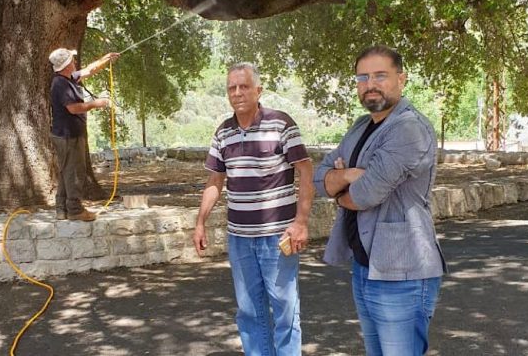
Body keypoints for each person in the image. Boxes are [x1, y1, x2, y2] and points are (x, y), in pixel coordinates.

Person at [313, 45, 448, 356]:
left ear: (402, 79)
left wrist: (343, 192)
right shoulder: (361, 126)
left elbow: (366, 195)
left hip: (402, 271)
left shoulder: (409, 128)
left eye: (380, 75)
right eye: (363, 77)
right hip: (366, 267)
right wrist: (348, 176)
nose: (370, 84)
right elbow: (320, 179)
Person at [192, 62, 314, 355]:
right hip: (240, 240)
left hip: (278, 238)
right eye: (231, 88)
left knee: (285, 311)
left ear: (258, 90)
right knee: (249, 312)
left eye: (244, 86)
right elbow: (215, 180)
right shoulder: (223, 133)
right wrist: (200, 222)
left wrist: (301, 222)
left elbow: (306, 172)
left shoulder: (281, 124)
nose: (237, 93)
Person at [49, 48, 119, 222]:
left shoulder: (68, 78)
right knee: (74, 173)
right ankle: (74, 210)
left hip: (68, 134)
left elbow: (89, 70)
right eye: (72, 60)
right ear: (66, 65)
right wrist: (97, 103)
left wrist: (105, 58)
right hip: (68, 136)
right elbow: (73, 108)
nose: (74, 62)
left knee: (66, 171)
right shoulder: (60, 84)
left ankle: (61, 209)